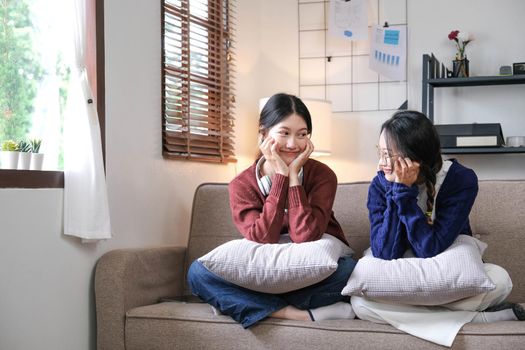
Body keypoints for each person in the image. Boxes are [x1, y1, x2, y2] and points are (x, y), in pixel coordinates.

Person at [351, 110, 524, 347]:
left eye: (388, 154)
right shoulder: (380, 183)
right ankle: (475, 318)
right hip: (404, 269)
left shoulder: (461, 180)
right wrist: (398, 190)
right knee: (360, 304)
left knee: (501, 281)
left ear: (416, 157)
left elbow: (429, 248)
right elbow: (385, 252)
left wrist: (404, 194)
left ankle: (415, 314)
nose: (380, 163)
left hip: (446, 266)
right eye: (379, 153)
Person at [187, 93, 357, 328]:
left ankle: (243, 304)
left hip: (311, 272)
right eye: (284, 133)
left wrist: (294, 178)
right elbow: (263, 237)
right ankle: (294, 314)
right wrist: (280, 178)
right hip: (265, 271)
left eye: (302, 134)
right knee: (198, 274)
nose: (293, 144)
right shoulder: (241, 185)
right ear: (263, 134)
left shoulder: (323, 176)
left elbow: (305, 236)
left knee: (350, 271)